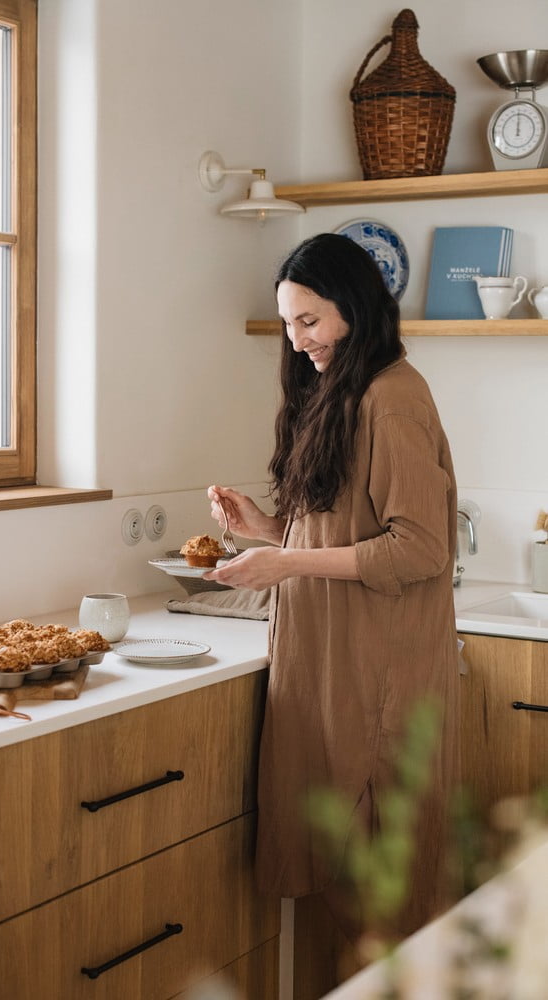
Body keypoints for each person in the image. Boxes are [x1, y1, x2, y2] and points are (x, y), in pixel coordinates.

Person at [203, 232, 460, 945]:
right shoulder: (346, 390)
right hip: (335, 664)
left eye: (308, 321)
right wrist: (267, 530)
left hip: (376, 671)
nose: (297, 339)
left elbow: (419, 546)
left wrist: (285, 565)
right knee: (349, 883)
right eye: (288, 323)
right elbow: (346, 526)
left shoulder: (391, 399)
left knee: (385, 886)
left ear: (353, 307)